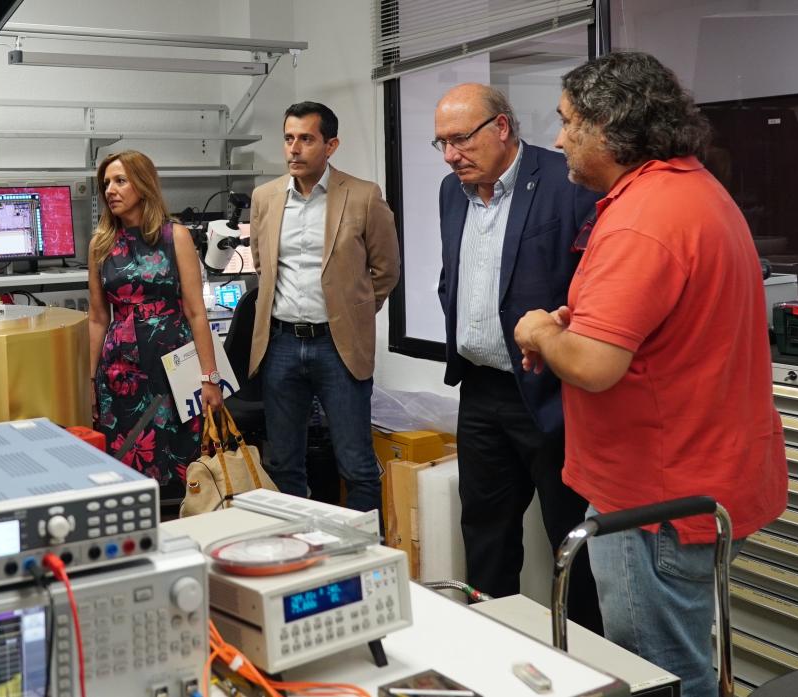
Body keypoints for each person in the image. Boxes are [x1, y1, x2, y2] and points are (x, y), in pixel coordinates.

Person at [512, 52, 787, 697]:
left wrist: (543, 333)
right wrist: (577, 322)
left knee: (661, 673)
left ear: (608, 125)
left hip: (655, 496)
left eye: (567, 122)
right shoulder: (689, 190)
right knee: (692, 654)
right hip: (705, 475)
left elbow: (595, 366)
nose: (557, 140)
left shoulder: (641, 219)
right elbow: (657, 327)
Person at [434, 84, 602, 632]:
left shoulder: (565, 183)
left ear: (501, 127)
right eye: (441, 143)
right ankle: (491, 645)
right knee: (485, 533)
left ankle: (583, 659)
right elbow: (452, 277)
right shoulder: (449, 191)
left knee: (570, 540)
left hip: (550, 395)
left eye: (460, 140)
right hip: (479, 392)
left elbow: (590, 292)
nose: (450, 155)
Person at [248, 101, 400, 512]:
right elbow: (262, 264)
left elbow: (386, 269)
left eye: (306, 139)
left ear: (331, 145)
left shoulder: (363, 196)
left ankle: (365, 560)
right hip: (279, 343)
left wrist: (354, 313)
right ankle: (300, 556)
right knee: (283, 462)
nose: (294, 149)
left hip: (338, 346)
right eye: (288, 138)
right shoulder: (264, 198)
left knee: (355, 463)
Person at [88, 150, 224, 487]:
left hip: (174, 371)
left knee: (182, 468)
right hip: (121, 375)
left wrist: (210, 378)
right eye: (106, 183)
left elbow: (195, 311)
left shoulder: (174, 236)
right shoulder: (101, 245)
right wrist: (88, 382)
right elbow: (97, 318)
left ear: (143, 185)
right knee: (126, 469)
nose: (110, 190)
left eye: (120, 181)